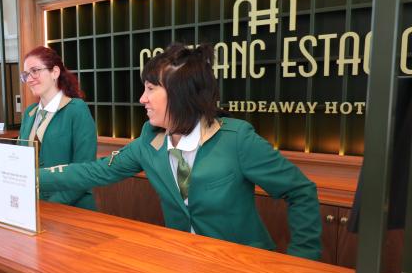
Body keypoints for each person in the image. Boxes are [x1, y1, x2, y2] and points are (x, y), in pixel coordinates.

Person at [40, 43, 322, 259]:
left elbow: (300, 191)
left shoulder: (237, 139)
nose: (142, 99)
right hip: (183, 262)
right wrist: (32, 176)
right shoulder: (149, 144)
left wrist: (303, 261)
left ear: (180, 93)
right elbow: (93, 171)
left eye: (151, 89)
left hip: (244, 267)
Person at [19, 46, 97, 210]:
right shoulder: (30, 114)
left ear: (55, 72)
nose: (30, 79)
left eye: (35, 71)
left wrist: (52, 205)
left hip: (71, 208)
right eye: (26, 74)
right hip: (34, 208)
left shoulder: (76, 109)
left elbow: (85, 170)